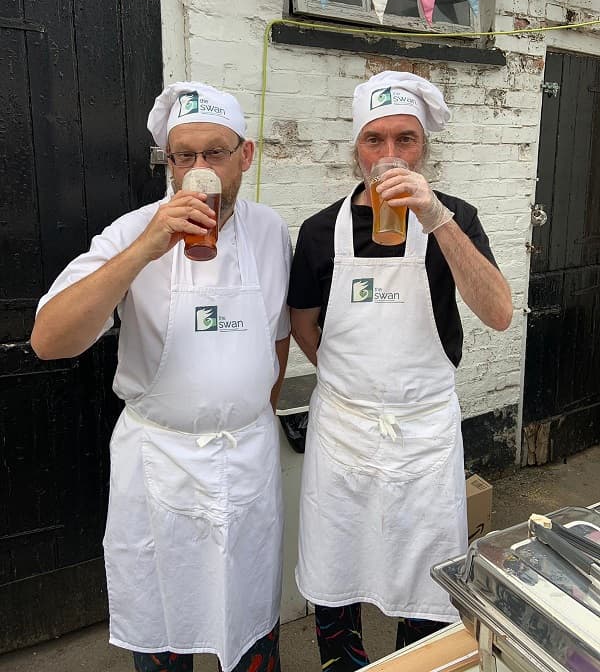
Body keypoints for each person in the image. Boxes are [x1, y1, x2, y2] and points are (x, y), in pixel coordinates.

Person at [30, 82, 292, 672]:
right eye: (183, 157)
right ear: (169, 162)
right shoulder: (131, 232)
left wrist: (248, 412)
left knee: (250, 624)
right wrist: (145, 250)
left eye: (215, 153)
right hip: (161, 470)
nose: (198, 171)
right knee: (163, 632)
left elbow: (276, 335)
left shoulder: (271, 231)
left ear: (245, 155)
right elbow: (50, 340)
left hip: (246, 460)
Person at [288, 71, 512, 670]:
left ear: (425, 147)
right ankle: (344, 660)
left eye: (405, 140)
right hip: (344, 430)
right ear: (356, 148)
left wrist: (437, 218)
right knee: (337, 565)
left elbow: (497, 313)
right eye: (375, 140)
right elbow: (305, 326)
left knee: (427, 572)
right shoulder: (318, 233)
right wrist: (353, 384)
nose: (389, 156)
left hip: (423, 431)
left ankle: (416, 662)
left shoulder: (456, 216)